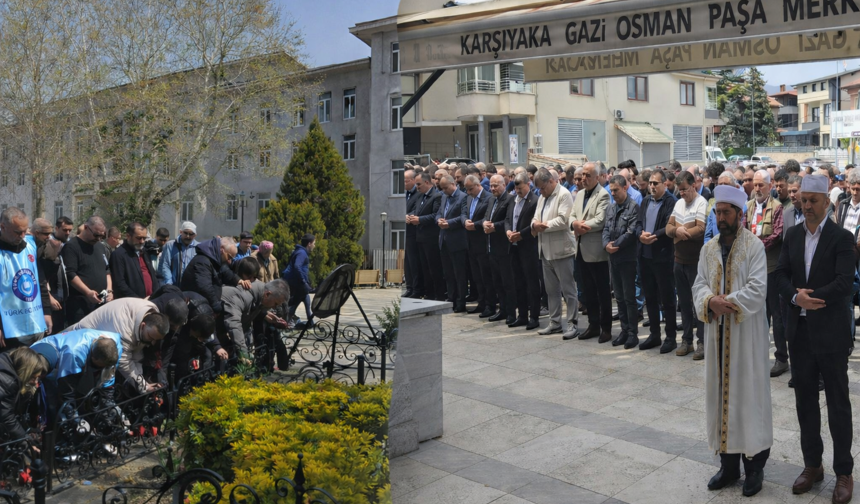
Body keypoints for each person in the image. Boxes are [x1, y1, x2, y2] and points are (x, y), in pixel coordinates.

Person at [775, 175, 855, 504]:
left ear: (827, 203)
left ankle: (844, 472)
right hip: (801, 333)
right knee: (805, 401)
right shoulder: (792, 235)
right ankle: (813, 465)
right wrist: (796, 298)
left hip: (832, 332)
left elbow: (844, 283)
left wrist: (811, 298)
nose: (806, 206)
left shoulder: (842, 237)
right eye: (803, 200)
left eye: (812, 201)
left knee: (837, 403)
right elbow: (780, 274)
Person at [692, 185, 772, 498]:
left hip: (745, 337)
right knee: (720, 397)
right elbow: (698, 284)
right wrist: (709, 301)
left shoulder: (754, 247)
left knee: (748, 398)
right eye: (718, 212)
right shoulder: (708, 249)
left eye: (726, 212)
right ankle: (728, 467)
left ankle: (754, 468)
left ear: (740, 214)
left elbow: (758, 289)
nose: (721, 217)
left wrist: (729, 302)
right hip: (717, 335)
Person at [68, 298, 169, 396]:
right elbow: (125, 362)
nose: (152, 342)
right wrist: (143, 386)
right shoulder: (125, 332)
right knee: (77, 388)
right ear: (143, 326)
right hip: (77, 343)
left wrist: (142, 383)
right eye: (151, 337)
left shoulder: (149, 317)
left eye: (156, 339)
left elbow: (136, 353)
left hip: (99, 341)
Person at [531, 168, 579, 340]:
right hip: (545, 250)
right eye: (539, 189)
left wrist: (543, 225)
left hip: (562, 250)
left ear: (551, 181)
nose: (541, 192)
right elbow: (535, 217)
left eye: (543, 188)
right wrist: (534, 225)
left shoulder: (564, 194)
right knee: (551, 290)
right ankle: (555, 322)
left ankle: (573, 323)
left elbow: (563, 220)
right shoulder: (543, 197)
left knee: (568, 290)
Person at [31, 329, 120, 421]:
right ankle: (53, 423)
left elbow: (109, 377)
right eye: (100, 366)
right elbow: (67, 389)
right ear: (93, 357)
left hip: (73, 353)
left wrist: (109, 402)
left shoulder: (115, 345)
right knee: (54, 396)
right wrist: (72, 415)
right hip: (46, 356)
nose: (101, 369)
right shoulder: (75, 353)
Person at [666, 171, 708, 359]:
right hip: (678, 261)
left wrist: (682, 233)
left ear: (693, 186)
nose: (681, 193)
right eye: (679, 190)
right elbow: (668, 228)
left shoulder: (701, 203)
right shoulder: (678, 203)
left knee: (698, 303)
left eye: (684, 189)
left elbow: (701, 228)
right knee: (683, 302)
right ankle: (687, 340)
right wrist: (677, 230)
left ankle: (702, 342)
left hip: (695, 262)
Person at [637, 170, 679, 352]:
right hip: (645, 256)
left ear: (664, 184)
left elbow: (669, 227)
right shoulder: (646, 201)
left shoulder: (671, 202)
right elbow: (638, 222)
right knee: (651, 297)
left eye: (656, 183)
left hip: (663, 257)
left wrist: (652, 236)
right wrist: (640, 234)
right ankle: (654, 335)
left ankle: (670, 337)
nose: (652, 186)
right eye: (651, 183)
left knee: (667, 299)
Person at [0, 208, 52, 349]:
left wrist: (47, 312)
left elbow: (40, 281)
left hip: (34, 322)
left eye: (25, 230)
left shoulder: (31, 245)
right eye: (18, 232)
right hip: (9, 327)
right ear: (3, 227)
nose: (23, 235)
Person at [571, 162, 611, 342]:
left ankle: (606, 328)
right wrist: (574, 223)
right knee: (587, 290)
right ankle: (593, 325)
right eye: (582, 175)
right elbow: (572, 215)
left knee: (602, 292)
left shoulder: (603, 195)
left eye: (587, 176)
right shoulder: (579, 194)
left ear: (597, 177)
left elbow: (601, 220)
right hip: (580, 248)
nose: (583, 179)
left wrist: (581, 226)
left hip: (596, 251)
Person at [602, 175, 641, 348]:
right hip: (613, 258)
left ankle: (633, 333)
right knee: (618, 297)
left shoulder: (633, 207)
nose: (613, 194)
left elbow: (631, 233)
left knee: (629, 297)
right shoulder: (610, 208)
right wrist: (605, 245)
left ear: (625, 188)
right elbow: (605, 229)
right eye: (611, 191)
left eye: (616, 190)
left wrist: (614, 245)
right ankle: (624, 331)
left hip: (627, 258)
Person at [61, 216, 112, 326]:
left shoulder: (100, 247)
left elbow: (107, 270)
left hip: (101, 304)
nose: (98, 238)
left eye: (102, 236)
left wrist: (110, 291)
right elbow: (70, 274)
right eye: (96, 235)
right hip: (80, 305)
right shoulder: (72, 246)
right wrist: (87, 292)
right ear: (86, 227)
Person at [505, 172, 541, 330]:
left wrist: (521, 235)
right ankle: (522, 315)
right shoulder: (513, 200)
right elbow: (507, 219)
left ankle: (534, 316)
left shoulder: (535, 201)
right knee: (517, 282)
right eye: (516, 188)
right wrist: (508, 232)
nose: (518, 191)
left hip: (528, 247)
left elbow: (535, 224)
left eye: (520, 188)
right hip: (513, 247)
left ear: (528, 184)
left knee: (531, 283)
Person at [220, 279, 289, 359]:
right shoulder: (242, 297)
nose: (274, 307)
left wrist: (264, 314)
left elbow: (255, 307)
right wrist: (244, 355)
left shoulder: (258, 296)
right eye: (275, 303)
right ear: (267, 294)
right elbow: (235, 326)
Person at [407, 172, 446, 301]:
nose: (417, 187)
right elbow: (416, 210)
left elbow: (435, 215)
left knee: (434, 268)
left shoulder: (437, 196)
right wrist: (410, 216)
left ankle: (438, 294)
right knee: (425, 268)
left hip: (431, 238)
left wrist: (419, 219)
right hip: (420, 238)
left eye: (419, 184)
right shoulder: (421, 196)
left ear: (427, 183)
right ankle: (429, 294)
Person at [483, 174, 515, 324]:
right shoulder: (491, 199)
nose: (493, 188)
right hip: (491, 247)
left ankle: (510, 312)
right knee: (497, 282)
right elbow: (486, 216)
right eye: (491, 185)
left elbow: (509, 221)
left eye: (496, 185)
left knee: (507, 282)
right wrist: (484, 224)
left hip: (504, 247)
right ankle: (502, 310)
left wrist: (494, 227)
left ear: (504, 184)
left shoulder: (509, 199)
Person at [180, 236, 238, 315]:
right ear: (222, 250)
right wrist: (216, 306)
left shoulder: (214, 260)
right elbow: (205, 287)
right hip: (196, 308)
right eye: (229, 256)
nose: (229, 261)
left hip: (203, 304)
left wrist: (239, 280)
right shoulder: (203, 262)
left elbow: (225, 271)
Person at [0, 347, 46, 446]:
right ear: (25, 371)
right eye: (33, 377)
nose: (35, 382)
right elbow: (6, 417)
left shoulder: (6, 358)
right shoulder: (9, 382)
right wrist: (26, 443)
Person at [436, 174, 468, 312]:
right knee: (448, 274)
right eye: (442, 188)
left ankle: (460, 302)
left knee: (459, 274)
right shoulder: (444, 197)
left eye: (445, 188)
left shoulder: (463, 197)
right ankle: (451, 299)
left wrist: (449, 223)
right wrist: (438, 220)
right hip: (444, 241)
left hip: (457, 242)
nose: (444, 190)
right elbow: (438, 213)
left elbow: (463, 216)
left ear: (453, 184)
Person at [110, 222, 161, 299]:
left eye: (144, 238)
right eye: (139, 238)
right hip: (132, 304)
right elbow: (119, 284)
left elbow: (153, 275)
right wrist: (138, 301)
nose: (142, 241)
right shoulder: (118, 255)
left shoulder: (144, 252)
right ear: (128, 236)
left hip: (151, 301)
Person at [283, 234, 316, 327]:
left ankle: (311, 324)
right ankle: (284, 324)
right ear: (309, 244)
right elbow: (297, 267)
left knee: (305, 303)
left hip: (300, 286)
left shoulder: (300, 251)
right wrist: (303, 282)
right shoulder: (302, 253)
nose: (314, 245)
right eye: (314, 243)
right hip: (298, 285)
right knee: (293, 307)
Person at [157, 221, 198, 286]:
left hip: (190, 288)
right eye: (186, 233)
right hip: (172, 286)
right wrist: (169, 284)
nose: (188, 236)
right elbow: (166, 265)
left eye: (191, 234)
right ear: (181, 232)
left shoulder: (198, 248)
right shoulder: (171, 245)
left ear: (195, 235)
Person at [403, 169, 424, 299]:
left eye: (405, 181)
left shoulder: (418, 194)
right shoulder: (405, 194)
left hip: (414, 233)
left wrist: (407, 216)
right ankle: (409, 287)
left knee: (414, 263)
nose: (403, 183)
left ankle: (417, 289)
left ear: (412, 180)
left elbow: (418, 210)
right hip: (406, 233)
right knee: (407, 263)